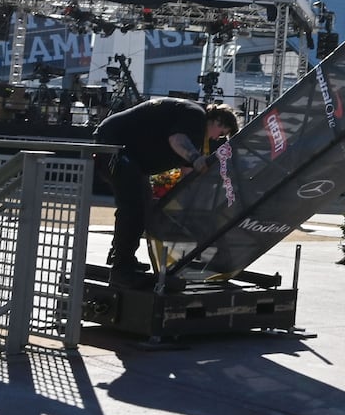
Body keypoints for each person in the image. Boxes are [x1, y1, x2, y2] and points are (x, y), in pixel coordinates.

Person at [93, 97, 238, 287]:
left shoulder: (195, 130)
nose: (215, 139)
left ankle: (121, 257)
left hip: (128, 155)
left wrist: (201, 205)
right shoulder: (196, 116)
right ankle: (121, 268)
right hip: (115, 146)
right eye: (220, 133)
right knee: (133, 208)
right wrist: (195, 158)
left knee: (144, 206)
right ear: (218, 121)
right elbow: (176, 140)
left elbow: (188, 176)